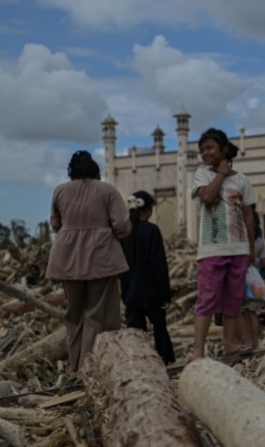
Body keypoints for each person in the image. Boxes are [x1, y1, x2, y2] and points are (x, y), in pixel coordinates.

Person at [46, 150, 131, 376]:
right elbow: (122, 225)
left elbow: (56, 225)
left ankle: (75, 366)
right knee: (97, 314)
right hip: (101, 259)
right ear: (95, 170)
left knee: (73, 315)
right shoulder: (108, 191)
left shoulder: (60, 191)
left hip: (66, 260)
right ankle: (89, 368)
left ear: (71, 171)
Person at [188, 128, 257, 361]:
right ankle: (198, 348)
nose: (205, 153)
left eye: (210, 148)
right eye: (202, 150)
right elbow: (207, 197)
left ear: (224, 149)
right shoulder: (202, 175)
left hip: (238, 249)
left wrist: (251, 249)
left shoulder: (242, 180)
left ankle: (230, 344)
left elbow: (248, 215)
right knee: (207, 298)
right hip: (212, 249)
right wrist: (221, 173)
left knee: (233, 300)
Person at [119, 190, 175, 365]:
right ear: (149, 209)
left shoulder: (124, 234)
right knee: (160, 330)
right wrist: (165, 294)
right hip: (152, 294)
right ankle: (165, 362)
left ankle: (140, 364)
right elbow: (158, 265)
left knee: (135, 335)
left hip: (131, 294)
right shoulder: (152, 231)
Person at [237, 205, 265, 349]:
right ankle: (255, 342)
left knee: (240, 312)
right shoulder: (259, 240)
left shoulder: (240, 238)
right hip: (256, 282)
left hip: (242, 280)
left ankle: (246, 342)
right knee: (253, 313)